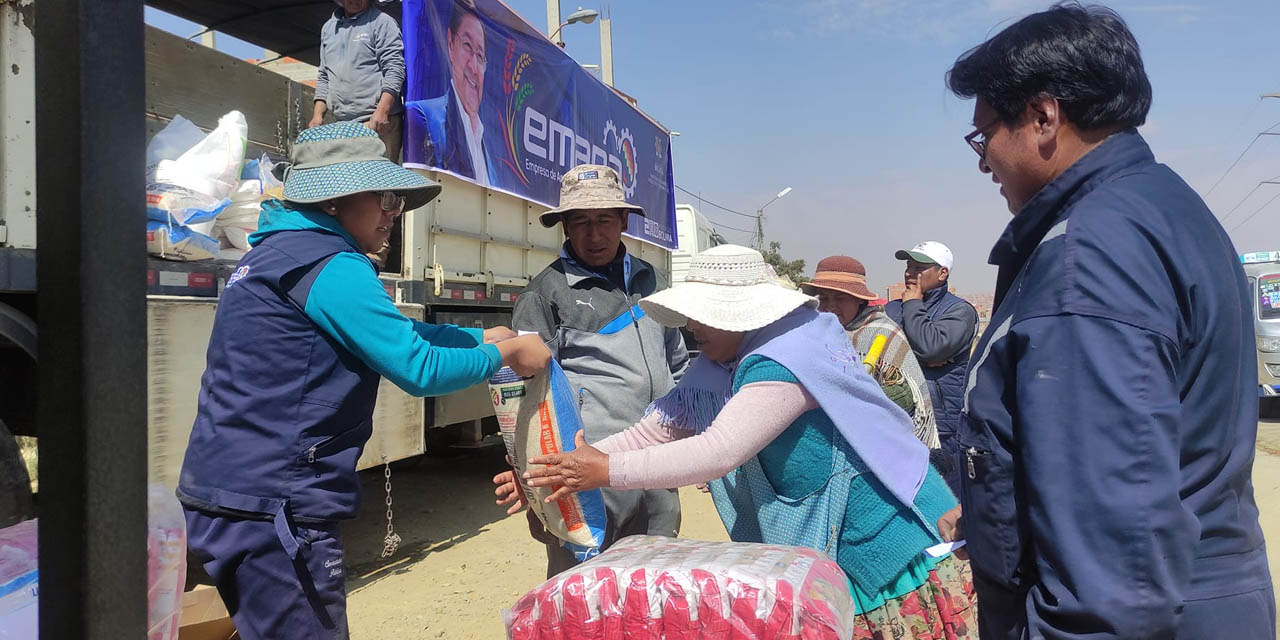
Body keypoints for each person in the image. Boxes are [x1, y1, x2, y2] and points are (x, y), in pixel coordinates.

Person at [941, 3, 1274, 638]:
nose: (983, 162)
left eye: (984, 136)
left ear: (1043, 117)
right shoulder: (1163, 209)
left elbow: (1110, 582)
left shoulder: (1086, 258)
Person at [176, 122, 551, 639]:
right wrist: (507, 351)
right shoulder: (332, 265)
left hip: (229, 492)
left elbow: (396, 336)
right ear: (336, 201)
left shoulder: (276, 253)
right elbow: (419, 369)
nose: (395, 213)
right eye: (386, 198)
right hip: (276, 505)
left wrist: (483, 335)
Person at [506, 245, 976, 637]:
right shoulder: (721, 366)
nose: (689, 327)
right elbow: (656, 429)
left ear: (736, 316)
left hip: (886, 554)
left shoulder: (785, 358)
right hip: (844, 559)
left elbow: (718, 450)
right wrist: (551, 470)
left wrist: (602, 471)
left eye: (699, 316)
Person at [504, 163, 689, 577]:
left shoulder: (651, 280)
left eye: (605, 219)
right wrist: (526, 471)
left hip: (658, 466)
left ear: (624, 221)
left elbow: (676, 363)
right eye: (580, 222)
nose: (594, 234)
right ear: (565, 227)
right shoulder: (545, 294)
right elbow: (524, 399)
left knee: (656, 583)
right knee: (586, 592)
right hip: (589, 476)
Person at [802, 255, 938, 449]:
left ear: (859, 300)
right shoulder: (813, 334)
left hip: (882, 443)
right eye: (823, 298)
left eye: (840, 298)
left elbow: (907, 399)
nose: (830, 305)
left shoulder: (881, 333)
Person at [884, 241, 976, 492]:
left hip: (940, 422)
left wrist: (913, 305)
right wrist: (923, 357)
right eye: (908, 266)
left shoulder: (959, 311)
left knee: (943, 495)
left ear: (942, 273)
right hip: (898, 416)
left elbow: (931, 347)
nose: (909, 273)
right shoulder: (892, 309)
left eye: (919, 268)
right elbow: (883, 349)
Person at [405, 0, 496, 185]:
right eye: (467, 46)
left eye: (480, 56)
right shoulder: (423, 116)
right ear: (450, 44)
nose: (474, 67)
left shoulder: (486, 147)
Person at [310, 0, 406, 162]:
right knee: (350, 185)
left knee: (380, 184)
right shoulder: (328, 28)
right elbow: (325, 75)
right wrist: (317, 115)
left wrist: (382, 111)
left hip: (378, 123)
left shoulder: (382, 22)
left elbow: (395, 69)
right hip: (342, 126)